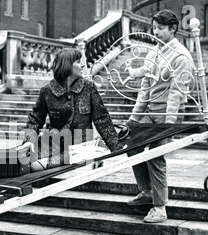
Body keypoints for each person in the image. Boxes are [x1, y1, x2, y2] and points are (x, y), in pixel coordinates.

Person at [126, 10, 194, 223]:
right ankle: (147, 192)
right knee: (132, 145)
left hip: (168, 115)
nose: (156, 32)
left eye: (160, 28)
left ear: (173, 29)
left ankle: (160, 207)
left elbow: (177, 92)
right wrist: (134, 119)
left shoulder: (181, 56)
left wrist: (169, 123)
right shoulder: (153, 52)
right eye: (154, 28)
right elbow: (144, 90)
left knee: (156, 154)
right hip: (151, 112)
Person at [19, 48, 122, 171]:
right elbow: (35, 118)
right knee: (23, 161)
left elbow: (102, 118)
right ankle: (89, 158)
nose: (83, 64)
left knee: (36, 166)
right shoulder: (47, 91)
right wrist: (29, 140)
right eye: (78, 62)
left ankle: (87, 156)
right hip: (53, 142)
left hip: (81, 145)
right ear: (66, 66)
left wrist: (116, 147)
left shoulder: (88, 88)